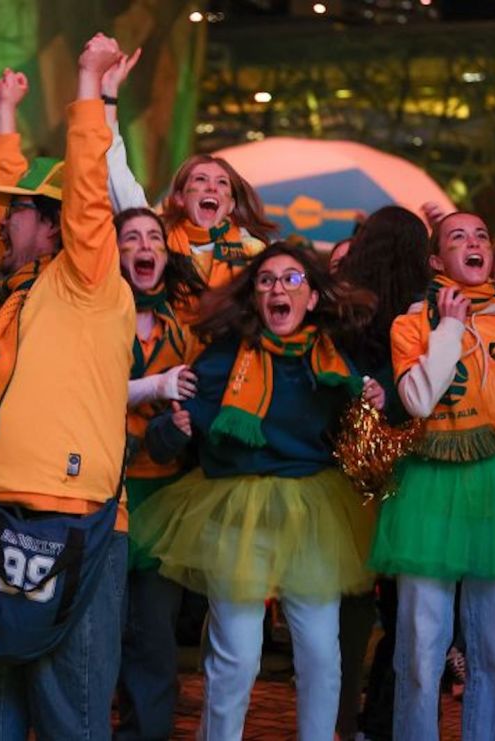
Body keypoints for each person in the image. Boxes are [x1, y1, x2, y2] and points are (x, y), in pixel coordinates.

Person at [0, 35, 134, 739]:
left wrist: (88, 81)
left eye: (19, 211)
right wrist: (4, 116)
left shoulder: (85, 280)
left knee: (70, 716)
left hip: (73, 525)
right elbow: (7, 192)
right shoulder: (8, 285)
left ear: (54, 228)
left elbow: (85, 186)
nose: (2, 218)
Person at [136, 241, 383, 740]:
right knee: (238, 656)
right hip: (235, 508)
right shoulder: (222, 360)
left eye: (292, 280)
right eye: (267, 280)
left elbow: (361, 439)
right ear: (254, 297)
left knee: (319, 651)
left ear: (312, 298)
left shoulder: (334, 364)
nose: (278, 289)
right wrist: (174, 427)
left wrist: (375, 402)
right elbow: (166, 441)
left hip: (313, 511)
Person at [369, 212, 495, 740]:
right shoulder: (411, 324)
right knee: (421, 649)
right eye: (458, 237)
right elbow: (416, 400)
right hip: (430, 486)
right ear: (436, 261)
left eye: (481, 237)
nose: (473, 244)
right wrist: (449, 328)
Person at [331, 204, 431, 740]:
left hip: (347, 469)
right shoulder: (426, 314)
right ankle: (386, 718)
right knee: (409, 608)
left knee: (344, 608)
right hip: (414, 467)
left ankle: (337, 718)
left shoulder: (344, 310)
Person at [114, 206, 203, 740]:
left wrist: (182, 428)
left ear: (166, 257)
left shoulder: (184, 326)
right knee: (98, 633)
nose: (144, 246)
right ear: (116, 252)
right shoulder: (96, 313)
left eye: (154, 238)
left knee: (154, 639)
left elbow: (201, 395)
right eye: (131, 238)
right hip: (103, 492)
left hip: (167, 497)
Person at [102, 52, 274, 309]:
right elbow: (114, 170)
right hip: (165, 346)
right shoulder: (155, 236)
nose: (212, 187)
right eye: (201, 179)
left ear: (229, 205)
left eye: (222, 183)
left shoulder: (254, 253)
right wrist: (109, 95)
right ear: (180, 198)